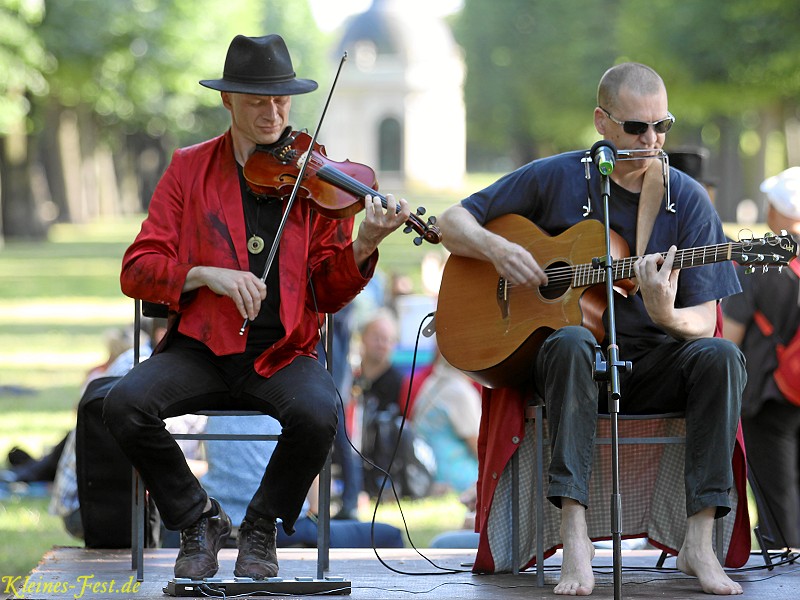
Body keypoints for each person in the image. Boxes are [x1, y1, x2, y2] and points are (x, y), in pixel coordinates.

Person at [102, 33, 411, 581]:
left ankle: (262, 526)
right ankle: (199, 520)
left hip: (283, 352)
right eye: (257, 102)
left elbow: (327, 293)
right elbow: (137, 268)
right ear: (228, 101)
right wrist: (203, 275)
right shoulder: (189, 169)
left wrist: (363, 246)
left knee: (320, 413)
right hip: (201, 349)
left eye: (281, 101)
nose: (273, 114)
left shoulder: (317, 181)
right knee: (123, 403)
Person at [437, 62, 745, 595]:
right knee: (575, 339)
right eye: (636, 128)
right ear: (602, 122)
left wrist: (665, 312)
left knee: (720, 356)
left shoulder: (686, 198)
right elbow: (451, 221)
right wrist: (500, 249)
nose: (652, 140)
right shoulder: (555, 176)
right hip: (566, 366)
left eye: (662, 126)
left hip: (651, 362)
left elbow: (704, 320)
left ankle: (700, 538)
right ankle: (574, 535)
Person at [723, 167, 800, 550]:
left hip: (767, 396)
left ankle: (786, 570)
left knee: (777, 496)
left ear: (776, 211)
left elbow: (732, 336)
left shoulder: (756, 262)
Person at [411, 349, 480, 495]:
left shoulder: (432, 382)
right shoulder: (460, 392)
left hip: (425, 473)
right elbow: (479, 449)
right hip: (451, 481)